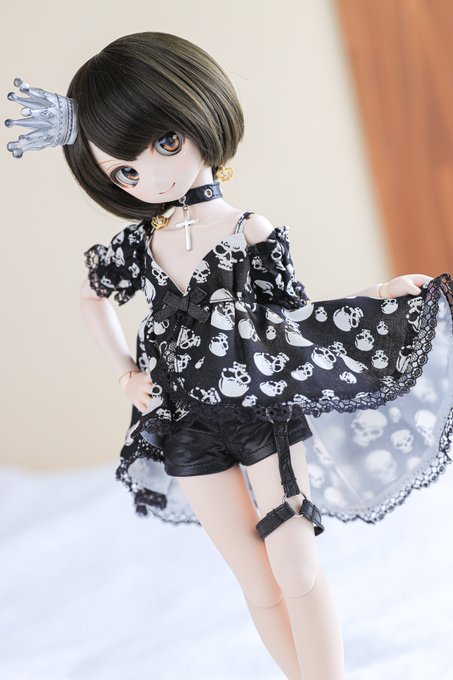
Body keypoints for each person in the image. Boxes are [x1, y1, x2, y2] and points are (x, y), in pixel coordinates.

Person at [5, 31, 453, 680]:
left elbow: (294, 316)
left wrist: (378, 295)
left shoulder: (248, 232)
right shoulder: (139, 245)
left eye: (165, 143)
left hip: (261, 413)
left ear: (199, 116)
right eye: (125, 170)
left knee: (294, 565)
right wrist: (124, 373)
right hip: (183, 425)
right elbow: (91, 297)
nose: (151, 174)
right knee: (256, 579)